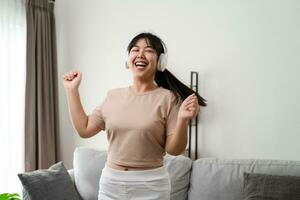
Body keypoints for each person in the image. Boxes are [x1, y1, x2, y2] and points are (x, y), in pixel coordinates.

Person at [63, 32, 207, 200]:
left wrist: (182, 120)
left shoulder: (168, 98)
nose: (140, 54)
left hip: (151, 185)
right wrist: (71, 90)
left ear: (160, 62)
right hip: (111, 184)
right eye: (135, 49)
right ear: (127, 58)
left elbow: (174, 150)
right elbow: (84, 129)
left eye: (149, 50)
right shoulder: (113, 96)